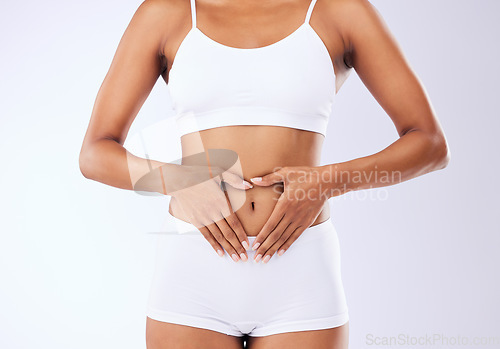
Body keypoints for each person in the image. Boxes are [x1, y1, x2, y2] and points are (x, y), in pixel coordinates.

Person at [79, 0, 450, 348]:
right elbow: (95, 152)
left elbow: (430, 144)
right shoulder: (168, 12)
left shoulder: (339, 10)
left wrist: (329, 181)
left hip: (301, 271)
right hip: (193, 269)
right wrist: (179, 181)